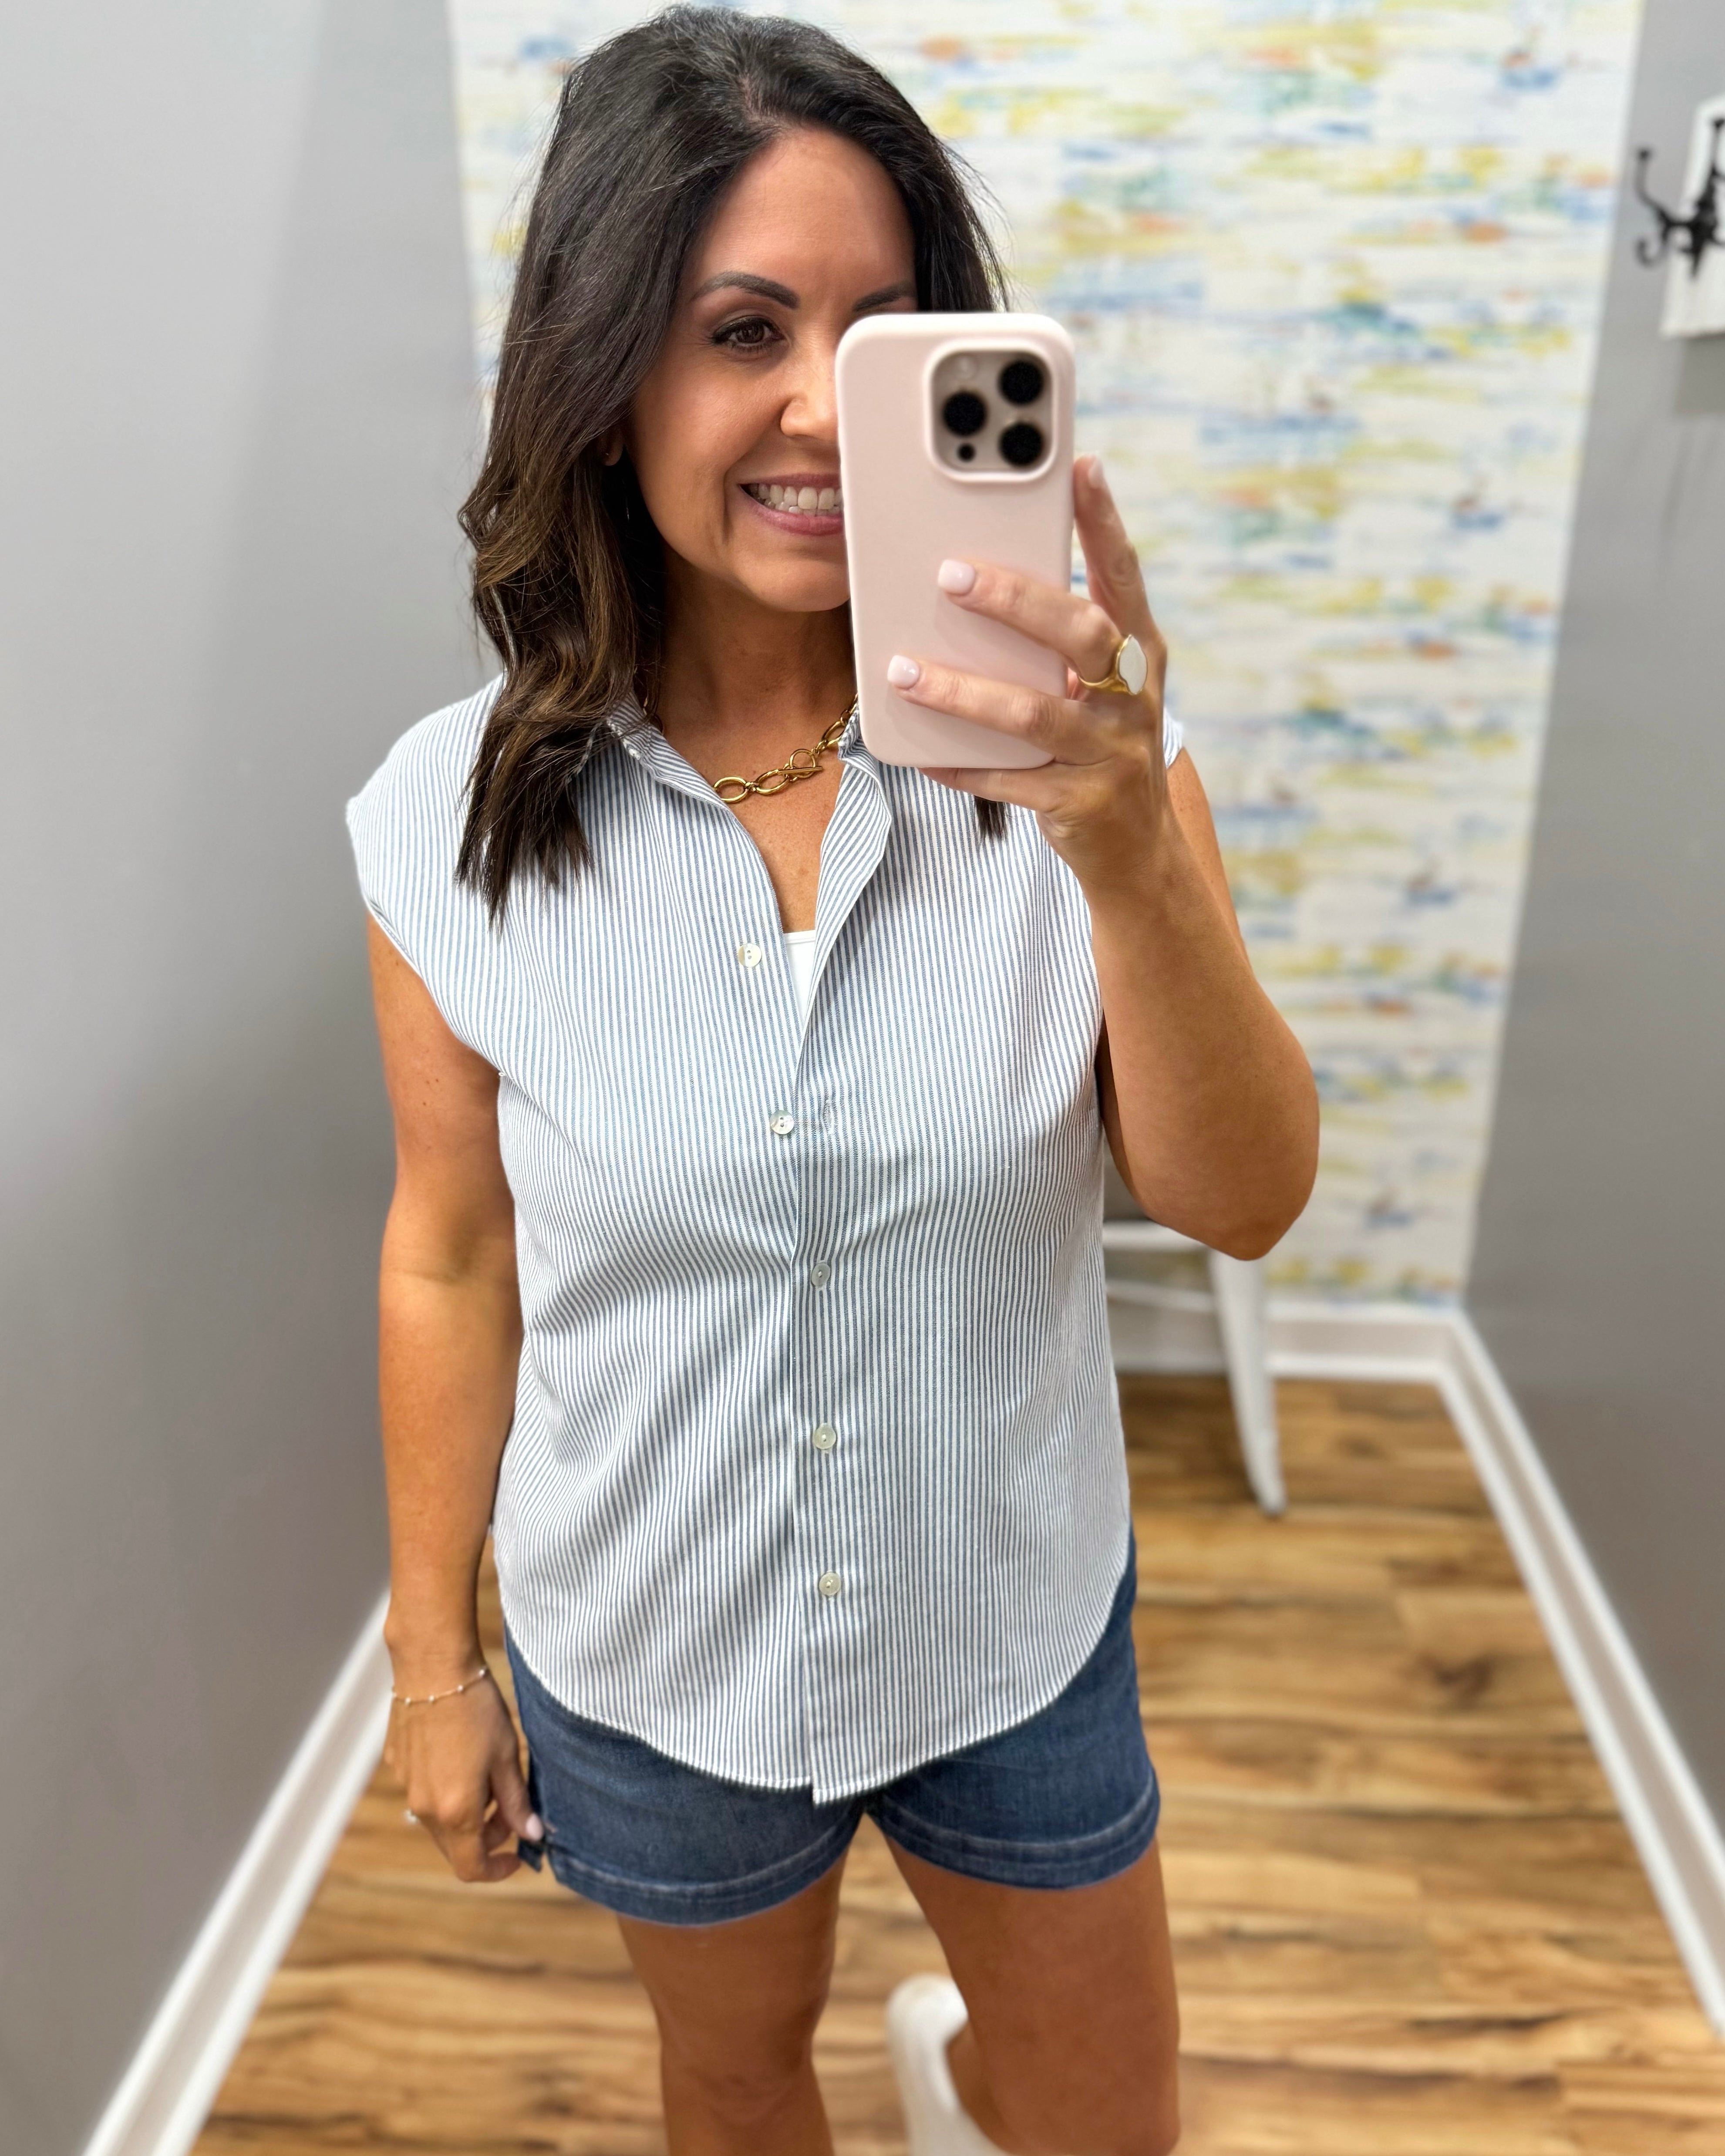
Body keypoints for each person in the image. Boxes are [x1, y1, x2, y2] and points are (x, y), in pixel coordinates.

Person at [347, 10, 1317, 2153]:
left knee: (1099, 2115)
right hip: (658, 1644)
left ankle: (948, 2073)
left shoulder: (1084, 774)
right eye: (739, 327)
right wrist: (438, 1664)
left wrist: (1130, 842)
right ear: (604, 381)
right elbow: (446, 1247)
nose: (815, 405)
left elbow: (1240, 1201)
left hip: (1009, 1624)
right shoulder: (449, 821)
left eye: (880, 334)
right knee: (729, 2081)